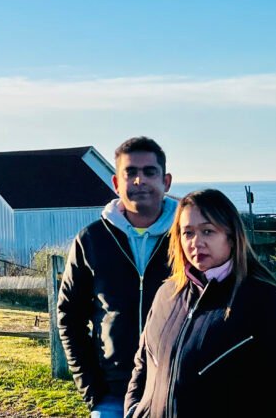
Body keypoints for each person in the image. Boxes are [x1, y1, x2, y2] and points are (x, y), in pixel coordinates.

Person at [124, 189, 276, 418]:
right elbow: (142, 364)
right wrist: (133, 410)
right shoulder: (166, 294)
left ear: (231, 237)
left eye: (208, 231)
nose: (196, 243)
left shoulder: (267, 303)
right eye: (188, 233)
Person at [57, 136, 178, 417]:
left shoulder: (187, 238)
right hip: (112, 396)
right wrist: (91, 389)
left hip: (173, 391)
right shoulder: (92, 239)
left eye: (149, 172)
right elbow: (69, 316)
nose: (139, 180)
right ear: (116, 183)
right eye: (130, 172)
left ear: (166, 181)